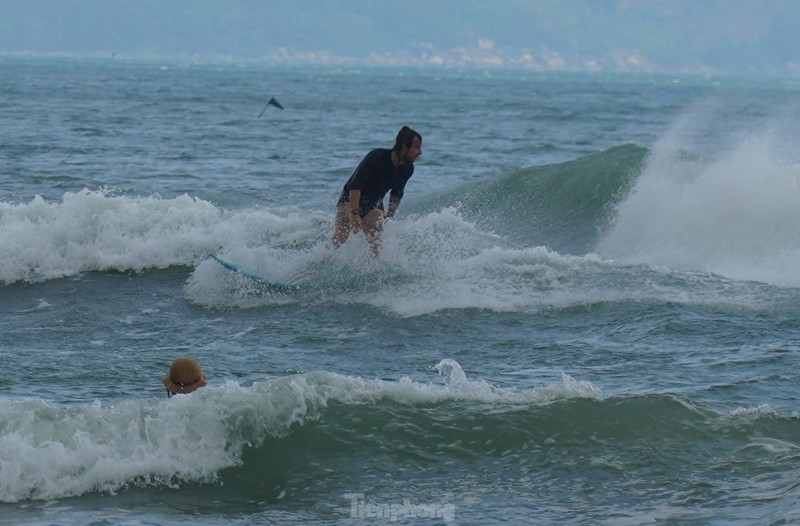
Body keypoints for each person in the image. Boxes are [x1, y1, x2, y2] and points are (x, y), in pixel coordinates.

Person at [332, 126, 422, 254]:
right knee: (341, 238)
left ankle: (374, 266)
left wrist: (389, 215)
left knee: (377, 237)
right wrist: (354, 214)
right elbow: (355, 186)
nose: (420, 152)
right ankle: (323, 259)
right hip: (350, 199)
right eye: (416, 147)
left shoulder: (408, 169)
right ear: (404, 147)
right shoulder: (376, 157)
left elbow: (397, 193)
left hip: (374, 203)